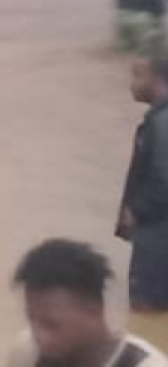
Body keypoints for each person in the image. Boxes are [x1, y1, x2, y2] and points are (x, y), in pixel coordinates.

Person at [7, 239, 168, 366]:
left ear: (94, 310)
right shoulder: (28, 352)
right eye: (32, 320)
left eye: (52, 325)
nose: (39, 337)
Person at [120, 55, 168, 352]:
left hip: (158, 242)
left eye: (137, 75)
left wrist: (136, 211)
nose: (131, 85)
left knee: (146, 317)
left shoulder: (163, 123)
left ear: (157, 79)